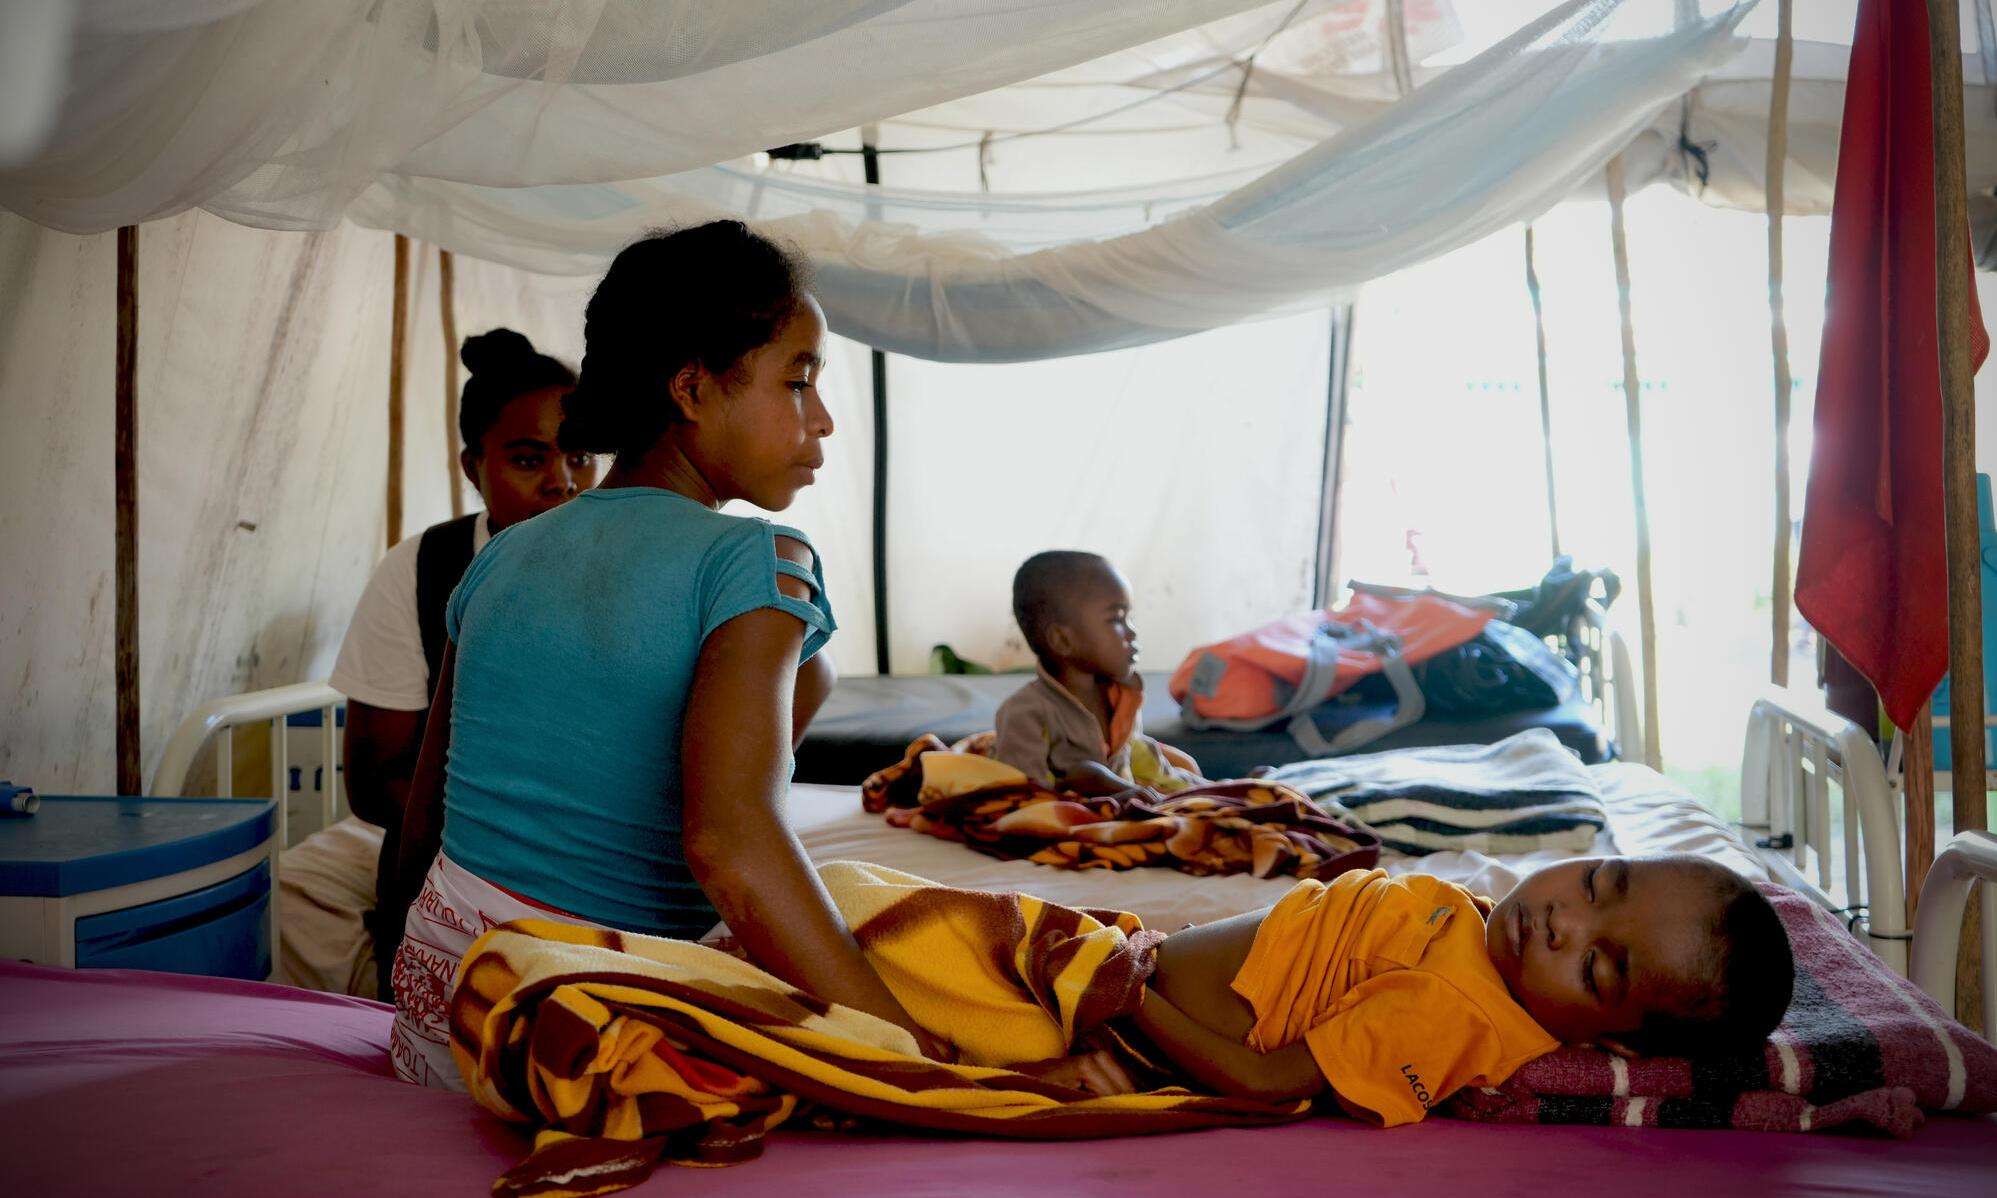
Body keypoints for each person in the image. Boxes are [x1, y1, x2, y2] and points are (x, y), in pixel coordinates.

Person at [384, 221, 930, 1088]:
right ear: (692, 388)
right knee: (958, 962)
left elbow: (424, 813)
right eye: (797, 381)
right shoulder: (752, 559)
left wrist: (397, 990)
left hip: (444, 996)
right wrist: (907, 1053)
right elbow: (728, 843)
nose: (820, 420)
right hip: (581, 1027)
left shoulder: (501, 557)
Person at [1120, 854, 1794, 1125]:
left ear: (1608, 1039)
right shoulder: (1491, 948)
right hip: (1146, 971)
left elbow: (1266, 1080)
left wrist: (1126, 993)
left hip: (1134, 1031)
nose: (1565, 919)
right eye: (1594, 883)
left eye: (1596, 968)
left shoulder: (1453, 1010)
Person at [331, 328, 597, 999]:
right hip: (449, 877)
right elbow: (373, 783)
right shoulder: (422, 573)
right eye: (529, 460)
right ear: (471, 464)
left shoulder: (632, 565)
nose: (562, 484)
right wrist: (515, 846)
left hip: (604, 880)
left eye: (581, 457)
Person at [992, 550, 1202, 796]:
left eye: (1129, 618)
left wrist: (1205, 789)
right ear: (1062, 640)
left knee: (1184, 765)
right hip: (1079, 819)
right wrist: (1095, 786)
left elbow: (1144, 767)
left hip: (1135, 801)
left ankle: (1231, 790)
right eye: (1117, 620)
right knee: (1088, 773)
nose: (1132, 633)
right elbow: (1023, 796)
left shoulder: (1121, 694)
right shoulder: (1026, 714)